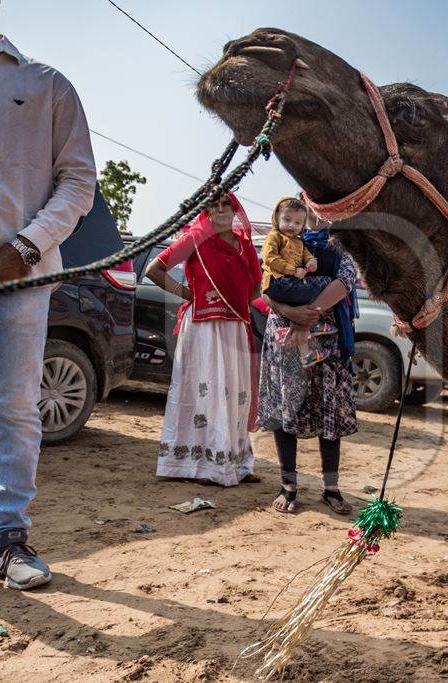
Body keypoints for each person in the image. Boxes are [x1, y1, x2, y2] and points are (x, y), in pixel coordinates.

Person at [0, 0, 97, 590]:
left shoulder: (43, 85)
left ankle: (6, 539)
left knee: (15, 403)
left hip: (20, 274)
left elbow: (79, 181)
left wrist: (23, 247)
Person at [145, 192, 263, 486]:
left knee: (235, 393)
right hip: (203, 326)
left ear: (235, 209)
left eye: (227, 204)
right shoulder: (196, 238)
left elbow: (256, 288)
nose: (221, 210)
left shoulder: (245, 245)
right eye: (214, 205)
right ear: (206, 211)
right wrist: (185, 293)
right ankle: (200, 463)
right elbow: (153, 270)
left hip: (234, 325)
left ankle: (233, 462)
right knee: (206, 391)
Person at [258, 217, 359, 515]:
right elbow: (266, 284)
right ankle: (287, 487)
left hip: (327, 337)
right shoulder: (282, 237)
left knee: (330, 412)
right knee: (286, 407)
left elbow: (345, 282)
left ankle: (331, 488)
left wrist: (309, 314)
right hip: (285, 336)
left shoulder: (344, 242)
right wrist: (290, 310)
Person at [260, 197, 335, 365]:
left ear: (302, 225)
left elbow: (306, 256)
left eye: (297, 223)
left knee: (309, 293)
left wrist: (311, 262)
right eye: (287, 220)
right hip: (279, 283)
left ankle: (305, 354)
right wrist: (293, 270)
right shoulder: (274, 236)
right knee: (325, 282)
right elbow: (270, 258)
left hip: (288, 286)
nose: (291, 226)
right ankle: (311, 324)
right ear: (276, 218)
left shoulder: (300, 242)